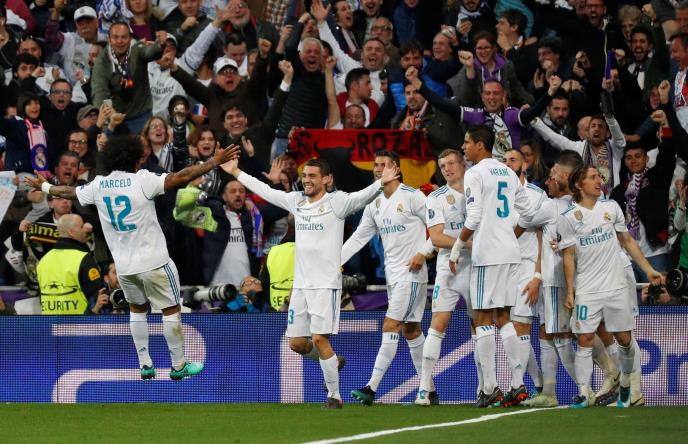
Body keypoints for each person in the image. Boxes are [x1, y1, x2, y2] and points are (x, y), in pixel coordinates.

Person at [26, 134, 240, 380]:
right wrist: (214, 161)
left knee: (137, 310)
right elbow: (181, 176)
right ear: (136, 160)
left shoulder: (99, 185)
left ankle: (145, 365)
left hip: (125, 267)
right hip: (155, 262)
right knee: (171, 310)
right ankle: (178, 365)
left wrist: (44, 187)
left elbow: (69, 191)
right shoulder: (142, 180)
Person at [223, 156, 400, 409]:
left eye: (312, 176)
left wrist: (381, 183)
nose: (306, 180)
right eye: (304, 175)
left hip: (326, 285)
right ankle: (333, 361)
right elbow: (265, 191)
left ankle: (334, 396)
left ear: (326, 179)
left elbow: (362, 197)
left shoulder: (337, 202)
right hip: (300, 287)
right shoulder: (297, 201)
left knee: (318, 338)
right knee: (296, 343)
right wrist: (236, 171)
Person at [448, 125, 543, 407]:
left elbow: (474, 216)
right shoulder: (509, 173)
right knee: (503, 317)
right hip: (511, 253)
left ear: (480, 145)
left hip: (488, 254)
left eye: (467, 142)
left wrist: (456, 247)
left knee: (481, 318)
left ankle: (489, 387)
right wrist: (507, 231)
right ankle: (517, 384)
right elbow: (529, 213)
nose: (463, 147)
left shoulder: (475, 173)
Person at [558, 165, 662, 408]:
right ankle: (584, 392)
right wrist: (570, 291)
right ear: (579, 185)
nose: (599, 181)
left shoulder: (611, 207)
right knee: (584, 337)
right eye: (593, 177)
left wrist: (648, 269)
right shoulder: (568, 218)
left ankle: (627, 385)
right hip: (587, 288)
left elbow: (627, 240)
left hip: (616, 286)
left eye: (599, 177)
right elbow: (568, 257)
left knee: (624, 339)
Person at [341, 150, 436, 406]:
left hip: (412, 275)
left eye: (383, 165)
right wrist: (334, 261)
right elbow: (359, 237)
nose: (377, 169)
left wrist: (423, 252)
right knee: (411, 329)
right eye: (375, 165)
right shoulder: (374, 204)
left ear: (396, 168)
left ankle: (371, 388)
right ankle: (429, 390)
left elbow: (439, 227)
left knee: (390, 324)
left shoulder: (413, 196)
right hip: (392, 276)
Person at [520, 151, 583, 408]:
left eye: (554, 174)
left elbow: (525, 218)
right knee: (547, 333)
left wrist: (517, 189)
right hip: (561, 277)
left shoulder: (552, 206)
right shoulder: (580, 205)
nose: (549, 179)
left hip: (556, 279)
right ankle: (549, 392)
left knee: (561, 337)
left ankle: (586, 389)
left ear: (566, 177)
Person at [415, 148, 473, 405]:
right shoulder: (436, 198)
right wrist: (470, 245)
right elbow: (437, 238)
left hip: (476, 267)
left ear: (463, 164)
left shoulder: (478, 191)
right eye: (443, 166)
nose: (447, 169)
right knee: (438, 323)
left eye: (451, 163)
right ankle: (424, 389)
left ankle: (485, 388)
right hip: (447, 268)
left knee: (480, 324)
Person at [502, 148, 544, 406]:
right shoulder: (497, 195)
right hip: (505, 268)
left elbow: (543, 237)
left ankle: (516, 386)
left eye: (513, 160)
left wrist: (538, 274)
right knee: (511, 329)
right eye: (504, 160)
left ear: (524, 165)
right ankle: (537, 384)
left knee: (520, 327)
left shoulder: (537, 195)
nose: (508, 164)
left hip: (528, 268)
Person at [36, 214, 108, 315]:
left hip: (50, 322)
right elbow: (97, 296)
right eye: (81, 226)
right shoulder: (83, 258)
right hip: (80, 322)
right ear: (71, 232)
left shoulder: (44, 260)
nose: (85, 229)